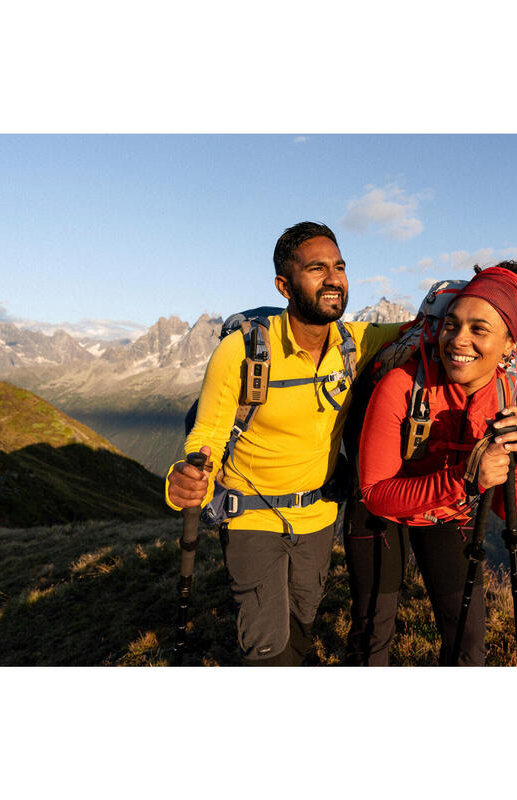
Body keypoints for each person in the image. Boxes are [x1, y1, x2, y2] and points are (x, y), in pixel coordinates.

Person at [166, 222, 402, 666]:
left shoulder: (355, 341)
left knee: (303, 624)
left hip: (317, 516)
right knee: (267, 647)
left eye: (339, 266)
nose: (333, 278)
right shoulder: (242, 352)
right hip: (251, 517)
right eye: (316, 268)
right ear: (284, 285)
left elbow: (425, 328)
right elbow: (207, 436)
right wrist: (183, 477)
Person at [345, 261, 517, 666]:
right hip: (381, 514)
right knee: (371, 637)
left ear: (514, 344)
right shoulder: (402, 384)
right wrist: (466, 479)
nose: (458, 340)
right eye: (452, 324)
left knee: (468, 646)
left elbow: (512, 510)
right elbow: (374, 494)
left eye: (480, 329)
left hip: (448, 516)